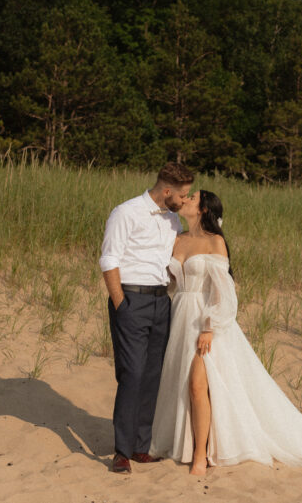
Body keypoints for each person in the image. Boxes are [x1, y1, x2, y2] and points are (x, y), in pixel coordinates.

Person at [150, 190, 302, 475]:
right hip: (180, 316)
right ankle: (189, 444)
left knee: (198, 385)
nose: (186, 199)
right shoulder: (177, 239)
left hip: (205, 320)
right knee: (181, 385)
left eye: (192, 197)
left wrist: (210, 327)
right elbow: (170, 283)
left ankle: (200, 454)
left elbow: (225, 292)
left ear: (202, 209)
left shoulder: (215, 242)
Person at [99, 162, 194, 474]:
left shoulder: (173, 221)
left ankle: (141, 446)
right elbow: (109, 258)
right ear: (167, 191)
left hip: (161, 302)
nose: (185, 200)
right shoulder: (125, 212)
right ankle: (122, 451)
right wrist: (121, 304)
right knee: (132, 374)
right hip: (131, 300)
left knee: (153, 375)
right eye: (182, 195)